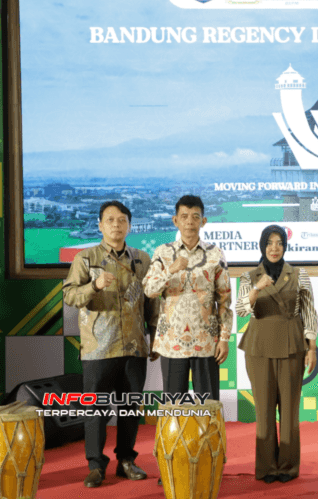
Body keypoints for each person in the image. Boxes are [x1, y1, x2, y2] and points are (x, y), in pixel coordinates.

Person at [63, 200, 159, 488]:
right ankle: (95, 465)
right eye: (110, 220)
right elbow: (69, 296)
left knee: (130, 409)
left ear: (129, 225)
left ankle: (126, 461)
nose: (116, 225)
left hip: (134, 347)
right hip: (98, 348)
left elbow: (152, 302)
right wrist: (94, 286)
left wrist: (155, 336)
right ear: (100, 225)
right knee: (96, 412)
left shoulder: (142, 259)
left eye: (122, 220)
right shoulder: (86, 258)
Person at [236, 225, 318, 484]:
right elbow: (240, 310)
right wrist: (256, 288)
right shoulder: (249, 276)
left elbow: (309, 311)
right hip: (259, 347)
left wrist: (311, 347)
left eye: (279, 243)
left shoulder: (299, 274)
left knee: (290, 410)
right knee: (264, 410)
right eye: (269, 243)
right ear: (262, 246)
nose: (274, 248)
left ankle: (288, 467)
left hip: (292, 344)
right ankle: (267, 468)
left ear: (285, 246)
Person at [143, 194, 232, 400]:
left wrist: (224, 339)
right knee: (174, 406)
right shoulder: (162, 252)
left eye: (195, 216)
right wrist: (170, 270)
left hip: (206, 342)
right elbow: (149, 290)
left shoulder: (216, 254)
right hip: (172, 342)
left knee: (208, 405)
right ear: (175, 220)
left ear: (203, 221)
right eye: (184, 217)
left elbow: (224, 300)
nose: (190, 222)